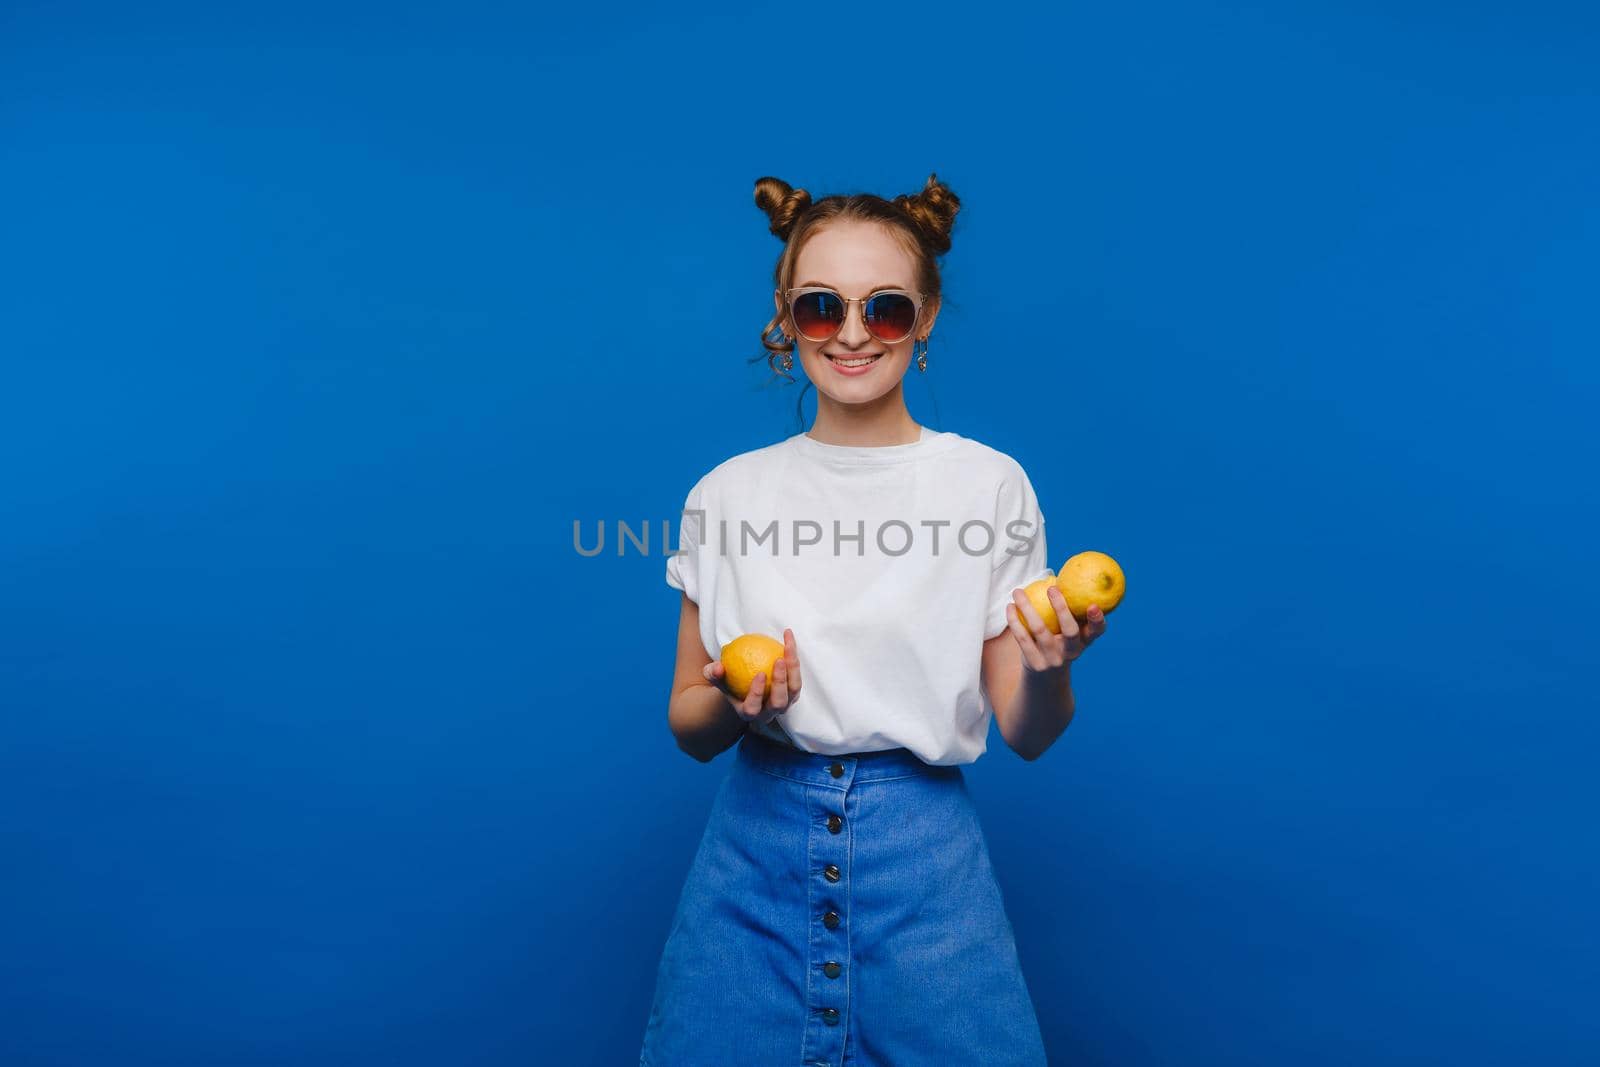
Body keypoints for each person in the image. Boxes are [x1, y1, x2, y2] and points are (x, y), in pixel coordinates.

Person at [638, 173, 1109, 1066]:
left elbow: (1029, 732)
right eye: (821, 306)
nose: (852, 333)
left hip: (928, 873)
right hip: (749, 863)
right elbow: (688, 729)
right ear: (786, 316)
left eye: (885, 310)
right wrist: (735, 703)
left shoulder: (988, 486)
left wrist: (1051, 666)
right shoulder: (726, 495)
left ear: (925, 318)